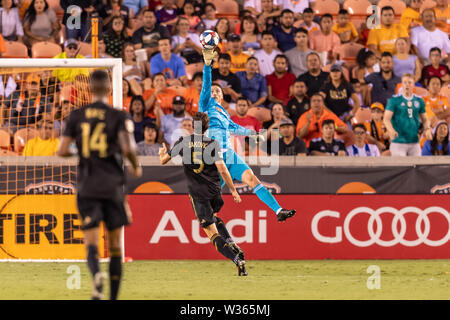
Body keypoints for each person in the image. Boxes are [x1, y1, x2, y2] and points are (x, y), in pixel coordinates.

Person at [57, 69, 142, 300]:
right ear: (109, 88)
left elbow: (62, 150)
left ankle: (96, 275)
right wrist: (135, 166)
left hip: (87, 186)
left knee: (91, 243)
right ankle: (113, 297)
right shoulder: (118, 115)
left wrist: (84, 151)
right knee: (115, 246)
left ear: (89, 89)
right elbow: (127, 148)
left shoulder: (76, 115)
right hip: (113, 186)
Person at [201, 47, 296, 222]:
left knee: (252, 179)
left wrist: (253, 134)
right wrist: (207, 66)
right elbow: (206, 85)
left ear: (222, 96)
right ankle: (209, 222)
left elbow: (235, 128)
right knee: (211, 201)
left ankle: (278, 210)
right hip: (213, 156)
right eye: (212, 91)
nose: (214, 92)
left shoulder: (223, 113)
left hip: (229, 155)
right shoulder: (205, 106)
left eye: (217, 91)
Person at [159, 112, 247, 276]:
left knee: (210, 232)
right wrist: (233, 190)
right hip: (215, 191)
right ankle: (231, 242)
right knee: (214, 218)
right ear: (207, 128)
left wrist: (161, 153)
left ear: (193, 125)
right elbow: (222, 169)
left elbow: (163, 160)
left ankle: (236, 259)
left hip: (198, 194)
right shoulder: (213, 144)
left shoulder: (183, 142)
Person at [384, 73, 433, 156]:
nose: (407, 85)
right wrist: (391, 130)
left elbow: (425, 119)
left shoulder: (419, 100)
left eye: (409, 82)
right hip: (398, 141)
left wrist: (427, 128)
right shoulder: (394, 100)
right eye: (405, 82)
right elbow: (386, 119)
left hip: (414, 141)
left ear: (413, 84)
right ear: (402, 84)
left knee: (417, 167)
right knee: (401, 167)